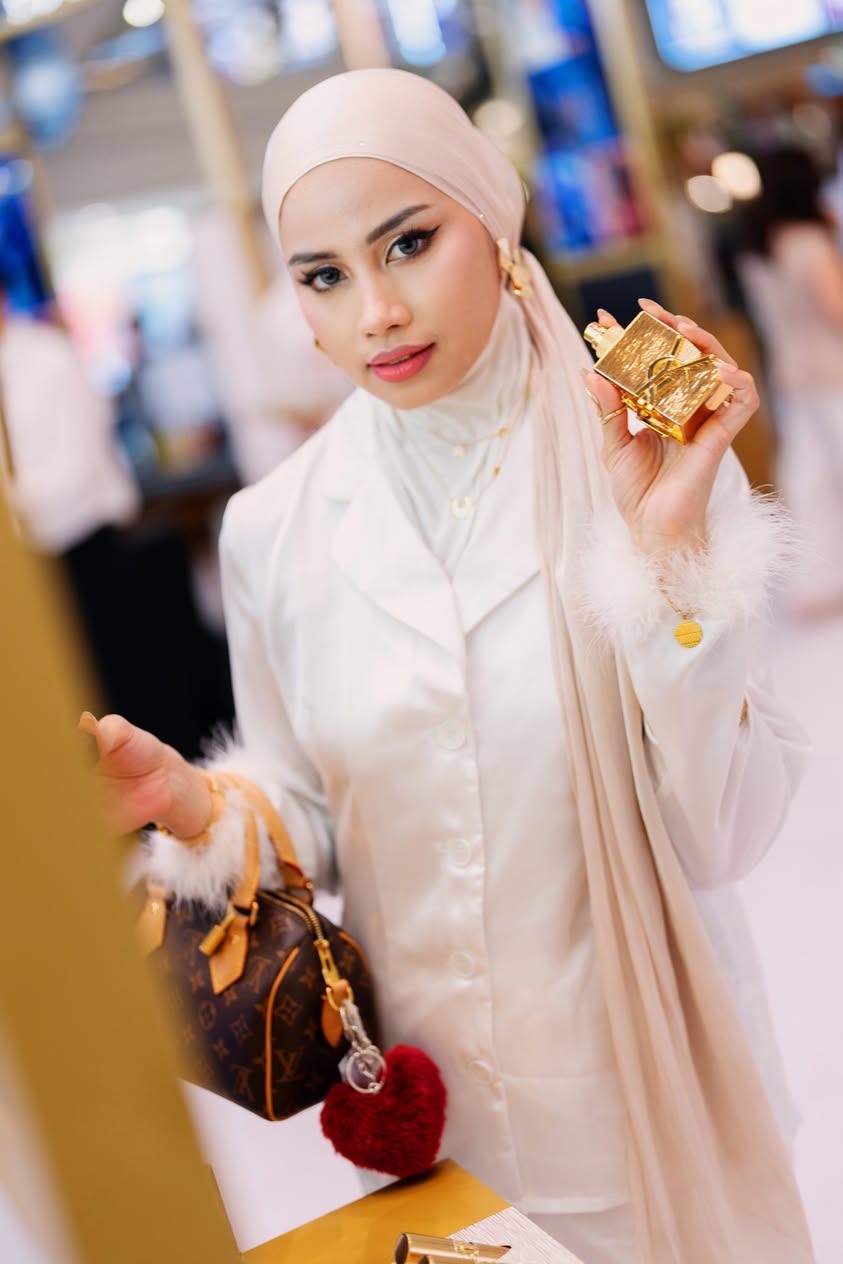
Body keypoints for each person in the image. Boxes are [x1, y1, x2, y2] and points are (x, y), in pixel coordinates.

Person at [81, 71, 814, 1263]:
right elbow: (314, 806)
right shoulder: (277, 529)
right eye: (323, 275)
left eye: (408, 243)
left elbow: (721, 837)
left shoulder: (639, 450)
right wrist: (191, 804)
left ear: (496, 221)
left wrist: (668, 557)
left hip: (652, 1108)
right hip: (442, 1129)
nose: (374, 310)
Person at [737, 145, 843, 616]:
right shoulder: (808, 240)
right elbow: (837, 309)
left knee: (807, 478)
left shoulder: (757, 247)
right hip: (832, 368)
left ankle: (815, 582)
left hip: (789, 372)